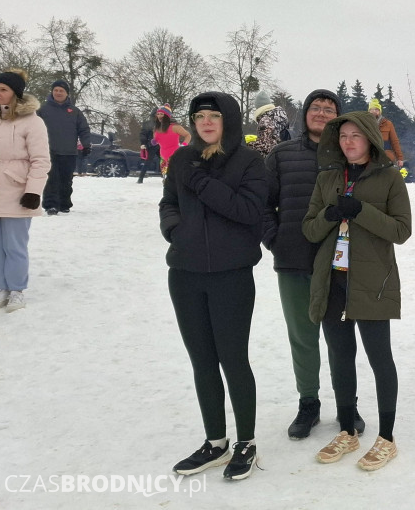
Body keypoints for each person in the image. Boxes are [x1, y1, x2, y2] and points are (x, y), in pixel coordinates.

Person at [161, 92, 268, 480]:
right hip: (185, 274)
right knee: (202, 360)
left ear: (230, 120)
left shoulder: (250, 162)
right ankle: (216, 441)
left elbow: (249, 211)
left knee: (233, 359)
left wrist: (203, 183)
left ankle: (247, 442)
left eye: (214, 116)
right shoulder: (181, 159)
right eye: (199, 116)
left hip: (231, 275)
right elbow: (168, 201)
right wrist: (174, 229)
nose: (206, 122)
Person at [302, 111, 411, 471]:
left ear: (369, 139)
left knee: (380, 358)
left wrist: (361, 210)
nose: (348, 142)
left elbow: (401, 231)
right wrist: (330, 217)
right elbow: (310, 230)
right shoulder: (328, 178)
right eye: (343, 136)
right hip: (333, 281)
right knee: (340, 356)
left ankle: (387, 437)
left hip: (372, 283)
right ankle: (347, 429)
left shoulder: (390, 178)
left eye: (355, 135)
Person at [262, 89, 365, 439]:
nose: (321, 113)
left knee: (340, 339)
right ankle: (309, 404)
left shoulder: (349, 155)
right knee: (302, 337)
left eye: (329, 109)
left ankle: (347, 405)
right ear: (305, 113)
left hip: (340, 262)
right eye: (315, 108)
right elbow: (262, 203)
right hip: (294, 260)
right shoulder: (281, 155)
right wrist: (274, 240)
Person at [0, 69, 50, 313]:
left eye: (3, 89)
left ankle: (16, 289)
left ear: (15, 93)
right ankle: (1, 287)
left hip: (17, 192)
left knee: (14, 244)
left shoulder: (32, 121)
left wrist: (33, 191)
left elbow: (40, 160)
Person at [37, 79, 90, 215]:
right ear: (52, 92)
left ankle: (64, 204)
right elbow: (33, 128)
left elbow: (83, 129)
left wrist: (86, 145)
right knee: (52, 179)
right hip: (49, 151)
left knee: (66, 180)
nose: (58, 93)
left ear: (67, 93)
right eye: (56, 90)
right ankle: (51, 205)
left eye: (61, 90)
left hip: (69, 152)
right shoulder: (42, 109)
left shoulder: (75, 111)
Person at [153, 104, 191, 178]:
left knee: (175, 178)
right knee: (166, 180)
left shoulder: (175, 127)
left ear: (167, 115)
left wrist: (184, 145)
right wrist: (155, 141)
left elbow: (188, 135)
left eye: (161, 114)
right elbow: (158, 139)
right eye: (158, 114)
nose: (159, 116)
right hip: (163, 157)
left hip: (175, 155)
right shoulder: (156, 128)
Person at [368, 99, 404, 167]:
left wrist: (400, 158)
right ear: (369, 111)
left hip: (386, 158)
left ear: (380, 111)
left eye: (376, 109)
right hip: (370, 158)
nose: (374, 112)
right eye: (372, 110)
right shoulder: (365, 124)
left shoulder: (388, 124)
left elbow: (394, 142)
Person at [137, 108, 161, 184]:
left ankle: (167, 178)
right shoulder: (148, 124)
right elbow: (143, 134)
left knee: (165, 161)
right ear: (154, 115)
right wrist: (143, 143)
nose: (158, 116)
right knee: (148, 162)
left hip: (161, 145)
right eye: (157, 114)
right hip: (151, 145)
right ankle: (140, 178)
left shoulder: (162, 123)